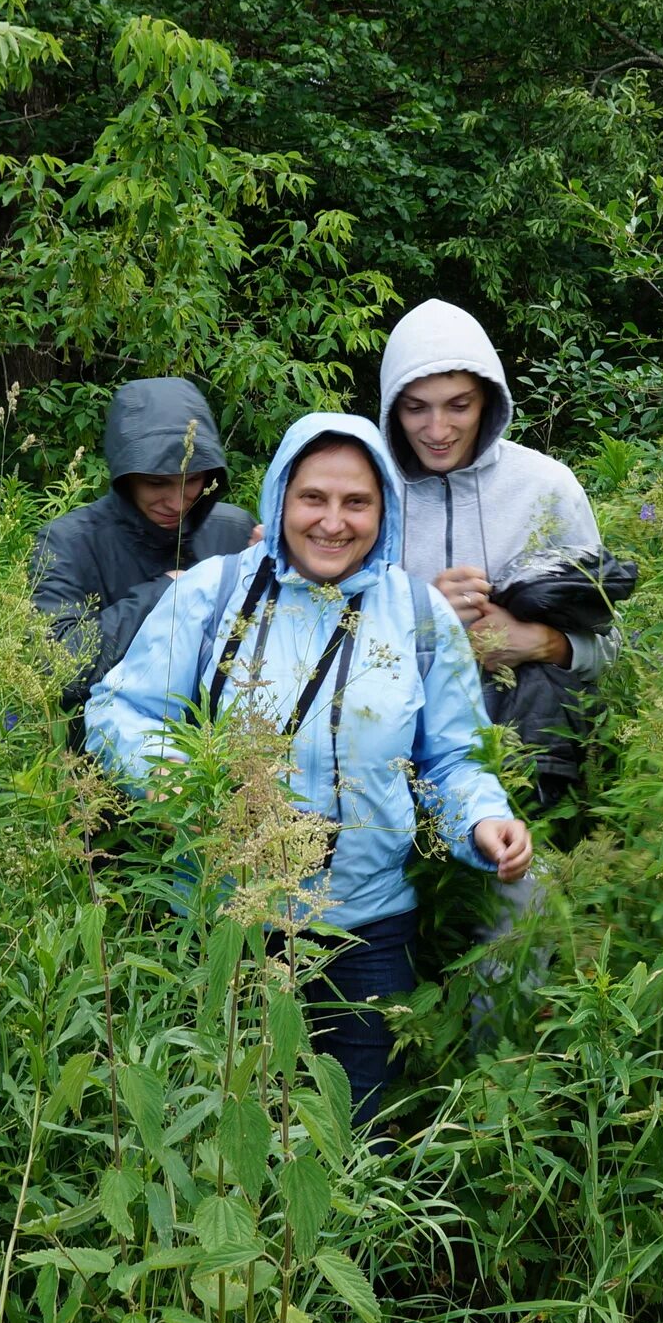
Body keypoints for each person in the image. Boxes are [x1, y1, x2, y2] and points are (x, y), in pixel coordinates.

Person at [86, 414, 534, 1118]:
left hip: (367, 929)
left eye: (356, 502)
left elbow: (450, 755)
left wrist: (483, 819)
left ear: (384, 509)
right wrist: (192, 783)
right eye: (313, 498)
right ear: (278, 500)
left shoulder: (417, 614)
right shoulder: (213, 593)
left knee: (355, 1140)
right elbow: (119, 712)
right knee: (217, 1132)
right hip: (220, 915)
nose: (333, 522)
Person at [377, 299, 618, 811]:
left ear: (489, 399)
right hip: (387, 758)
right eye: (416, 407)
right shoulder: (363, 490)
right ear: (391, 406)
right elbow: (313, 630)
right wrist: (425, 611)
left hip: (529, 765)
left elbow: (614, 643)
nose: (437, 431)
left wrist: (544, 643)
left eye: (458, 406)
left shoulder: (546, 487)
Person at [33, 378, 257, 712]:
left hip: (225, 748)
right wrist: (169, 592)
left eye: (193, 480)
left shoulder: (234, 530)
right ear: (126, 476)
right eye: (156, 483)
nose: (178, 502)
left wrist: (290, 561)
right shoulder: (67, 542)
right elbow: (56, 670)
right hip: (108, 750)